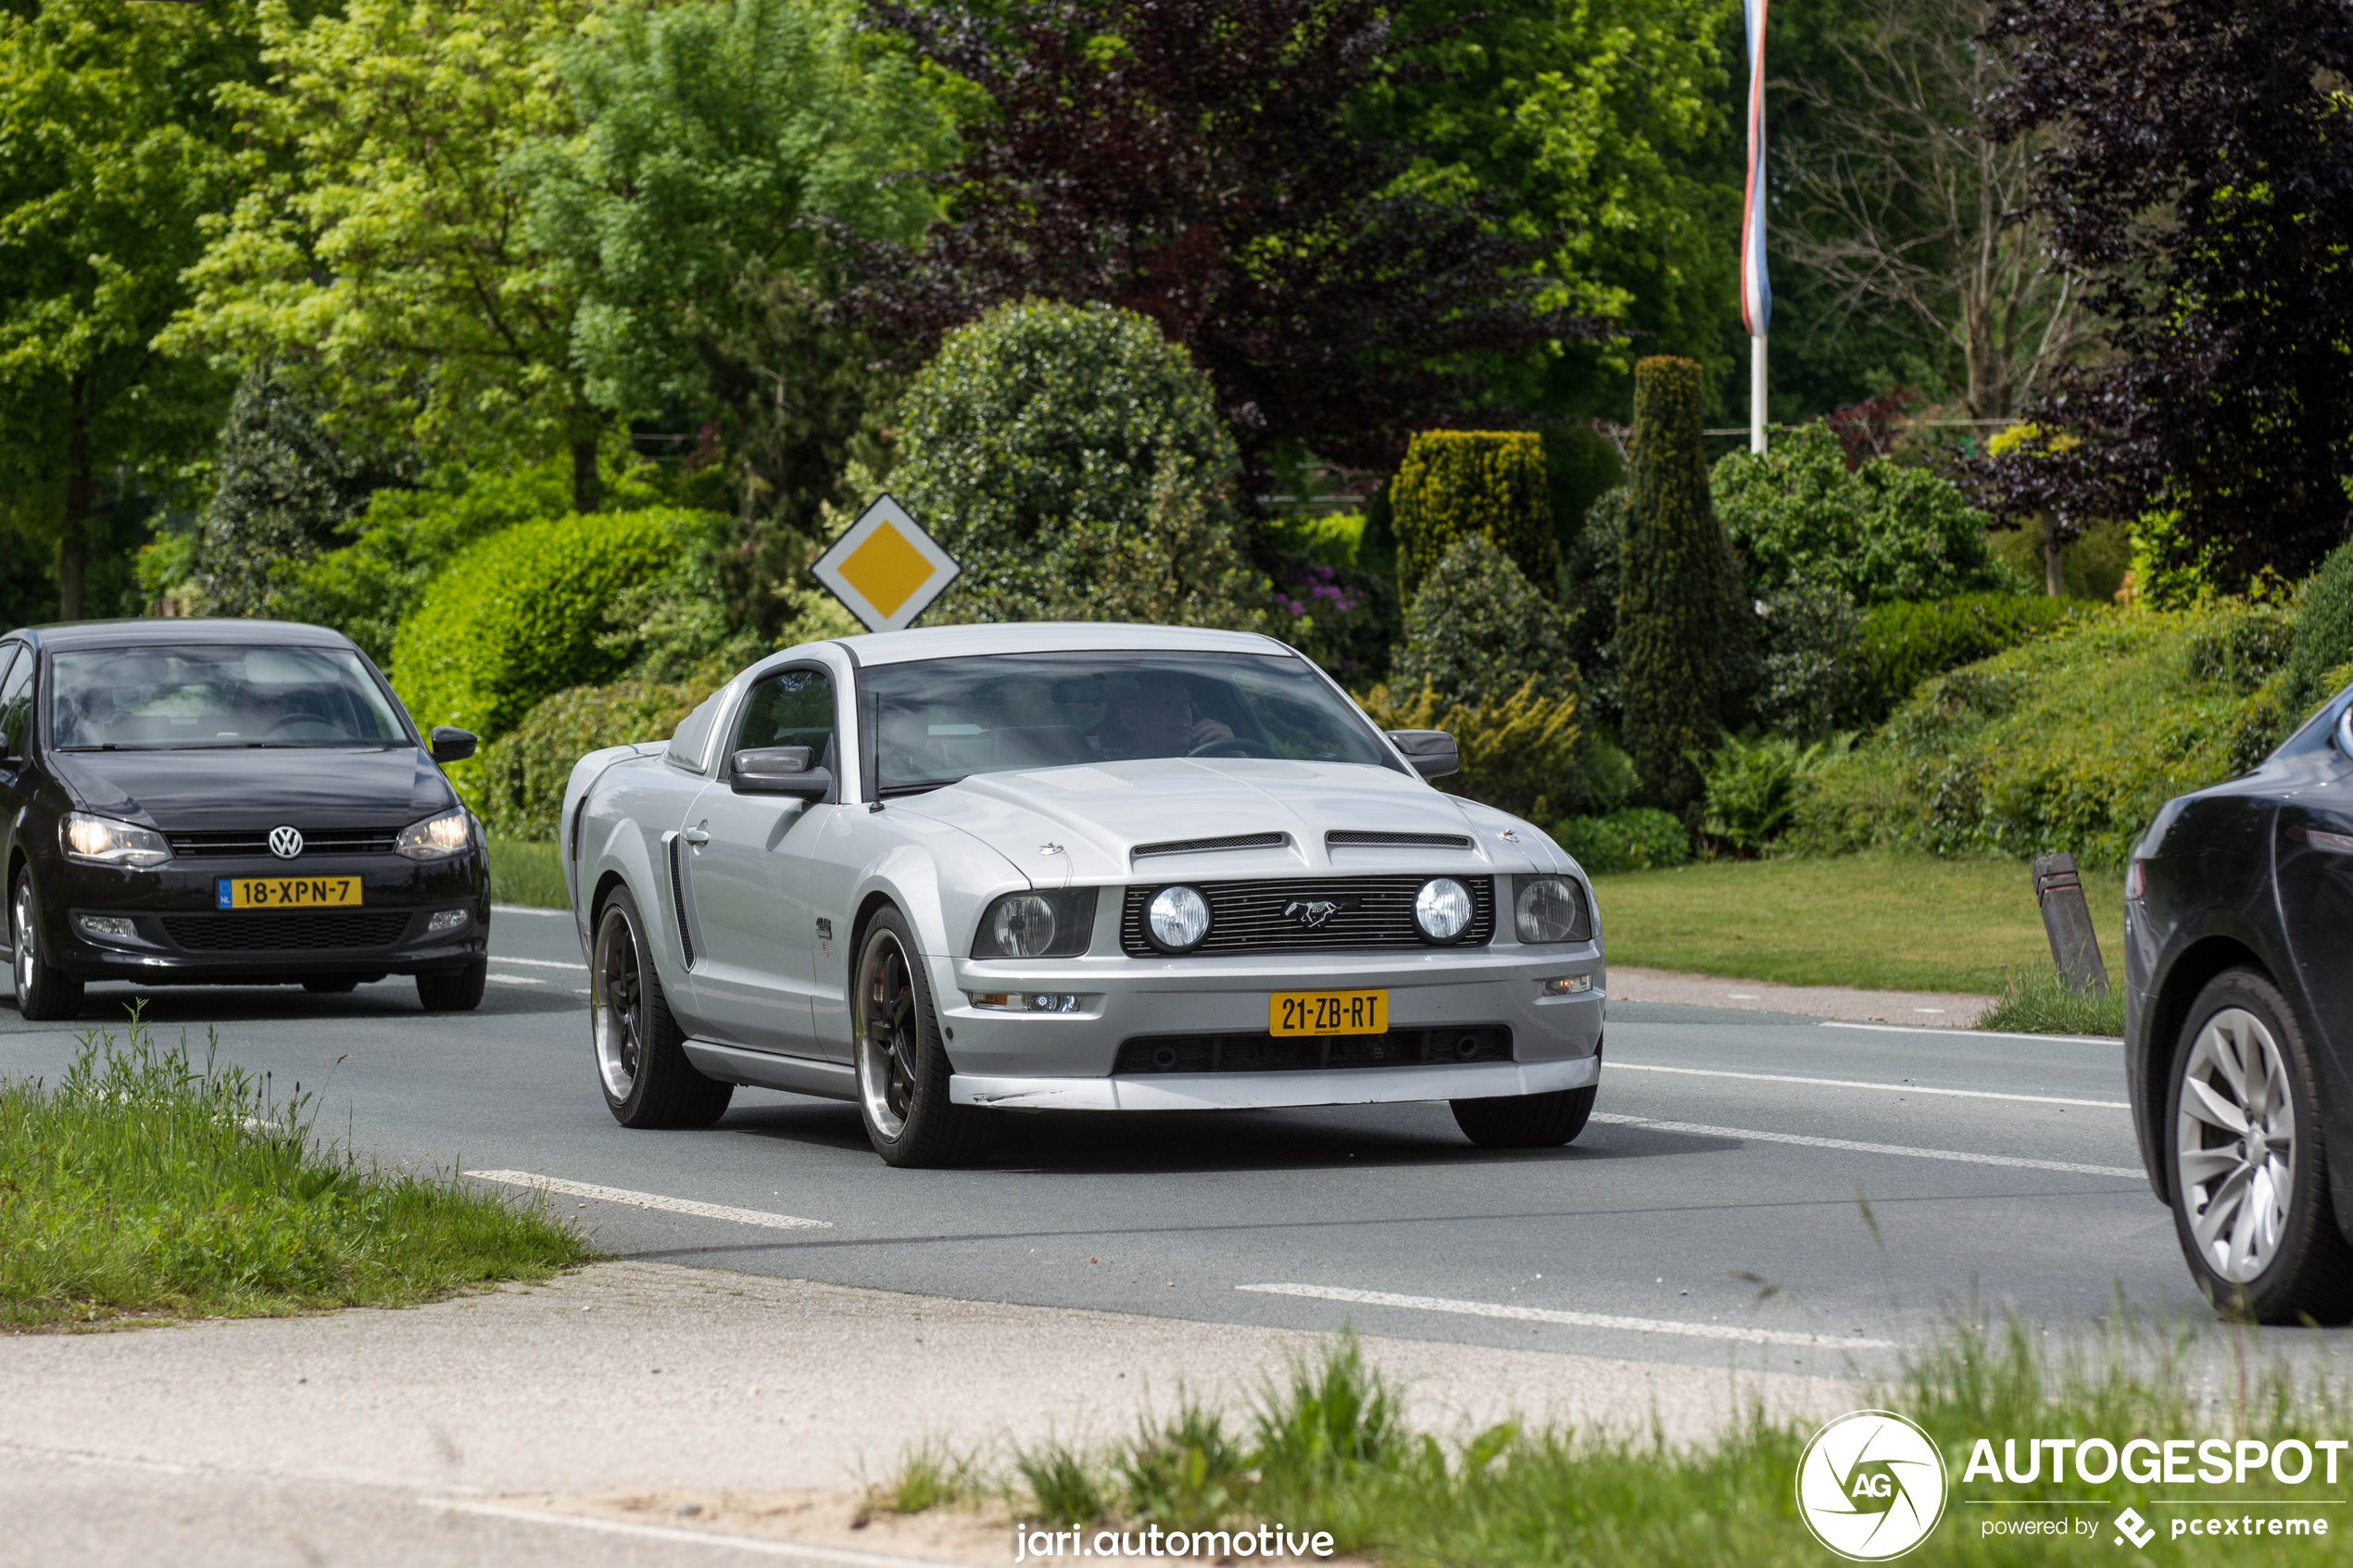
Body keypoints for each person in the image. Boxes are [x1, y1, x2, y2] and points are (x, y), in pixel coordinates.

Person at [1097, 672, 1235, 759]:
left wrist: (1236, 753)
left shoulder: (1215, 762)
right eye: (1166, 703)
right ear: (1130, 720)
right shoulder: (1116, 773)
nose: (1181, 712)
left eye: (1186, 701)